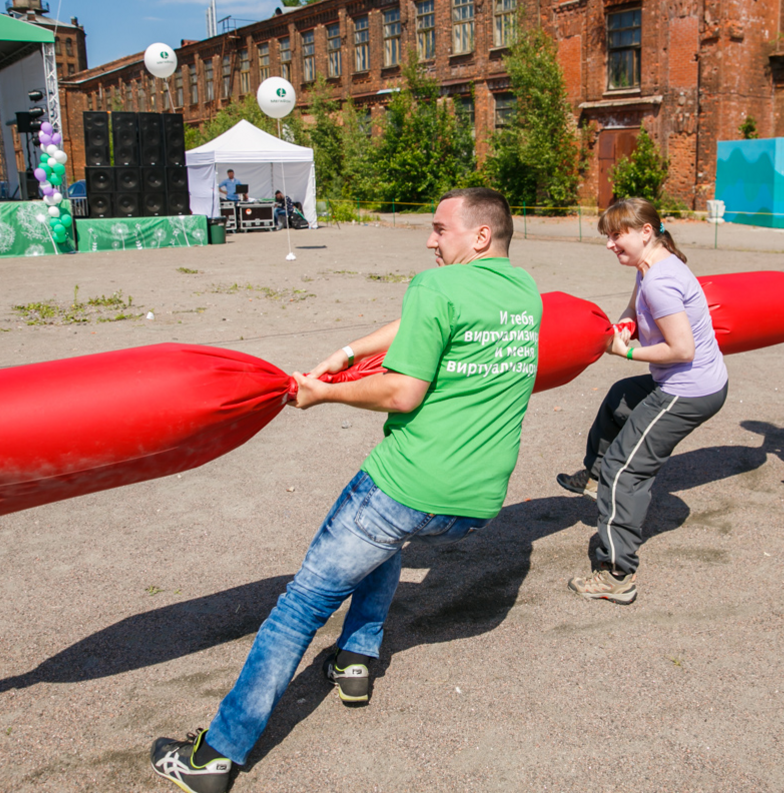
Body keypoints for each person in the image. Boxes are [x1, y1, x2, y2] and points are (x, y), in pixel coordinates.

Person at [150, 187, 541, 793]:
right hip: (472, 504)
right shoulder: (523, 293)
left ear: (480, 235)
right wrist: (350, 351)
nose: (431, 240)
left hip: (407, 484)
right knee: (386, 544)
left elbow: (402, 392)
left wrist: (323, 391)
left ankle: (216, 756)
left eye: (441, 229)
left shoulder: (435, 286)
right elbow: (424, 326)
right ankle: (357, 659)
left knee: (302, 604)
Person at [556, 198, 727, 604]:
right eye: (608, 236)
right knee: (619, 398)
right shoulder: (651, 266)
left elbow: (681, 349)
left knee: (625, 471)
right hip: (690, 382)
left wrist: (626, 353)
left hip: (687, 390)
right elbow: (636, 306)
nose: (609, 244)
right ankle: (594, 477)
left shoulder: (661, 281)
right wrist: (627, 323)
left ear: (645, 232)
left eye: (617, 235)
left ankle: (617, 574)